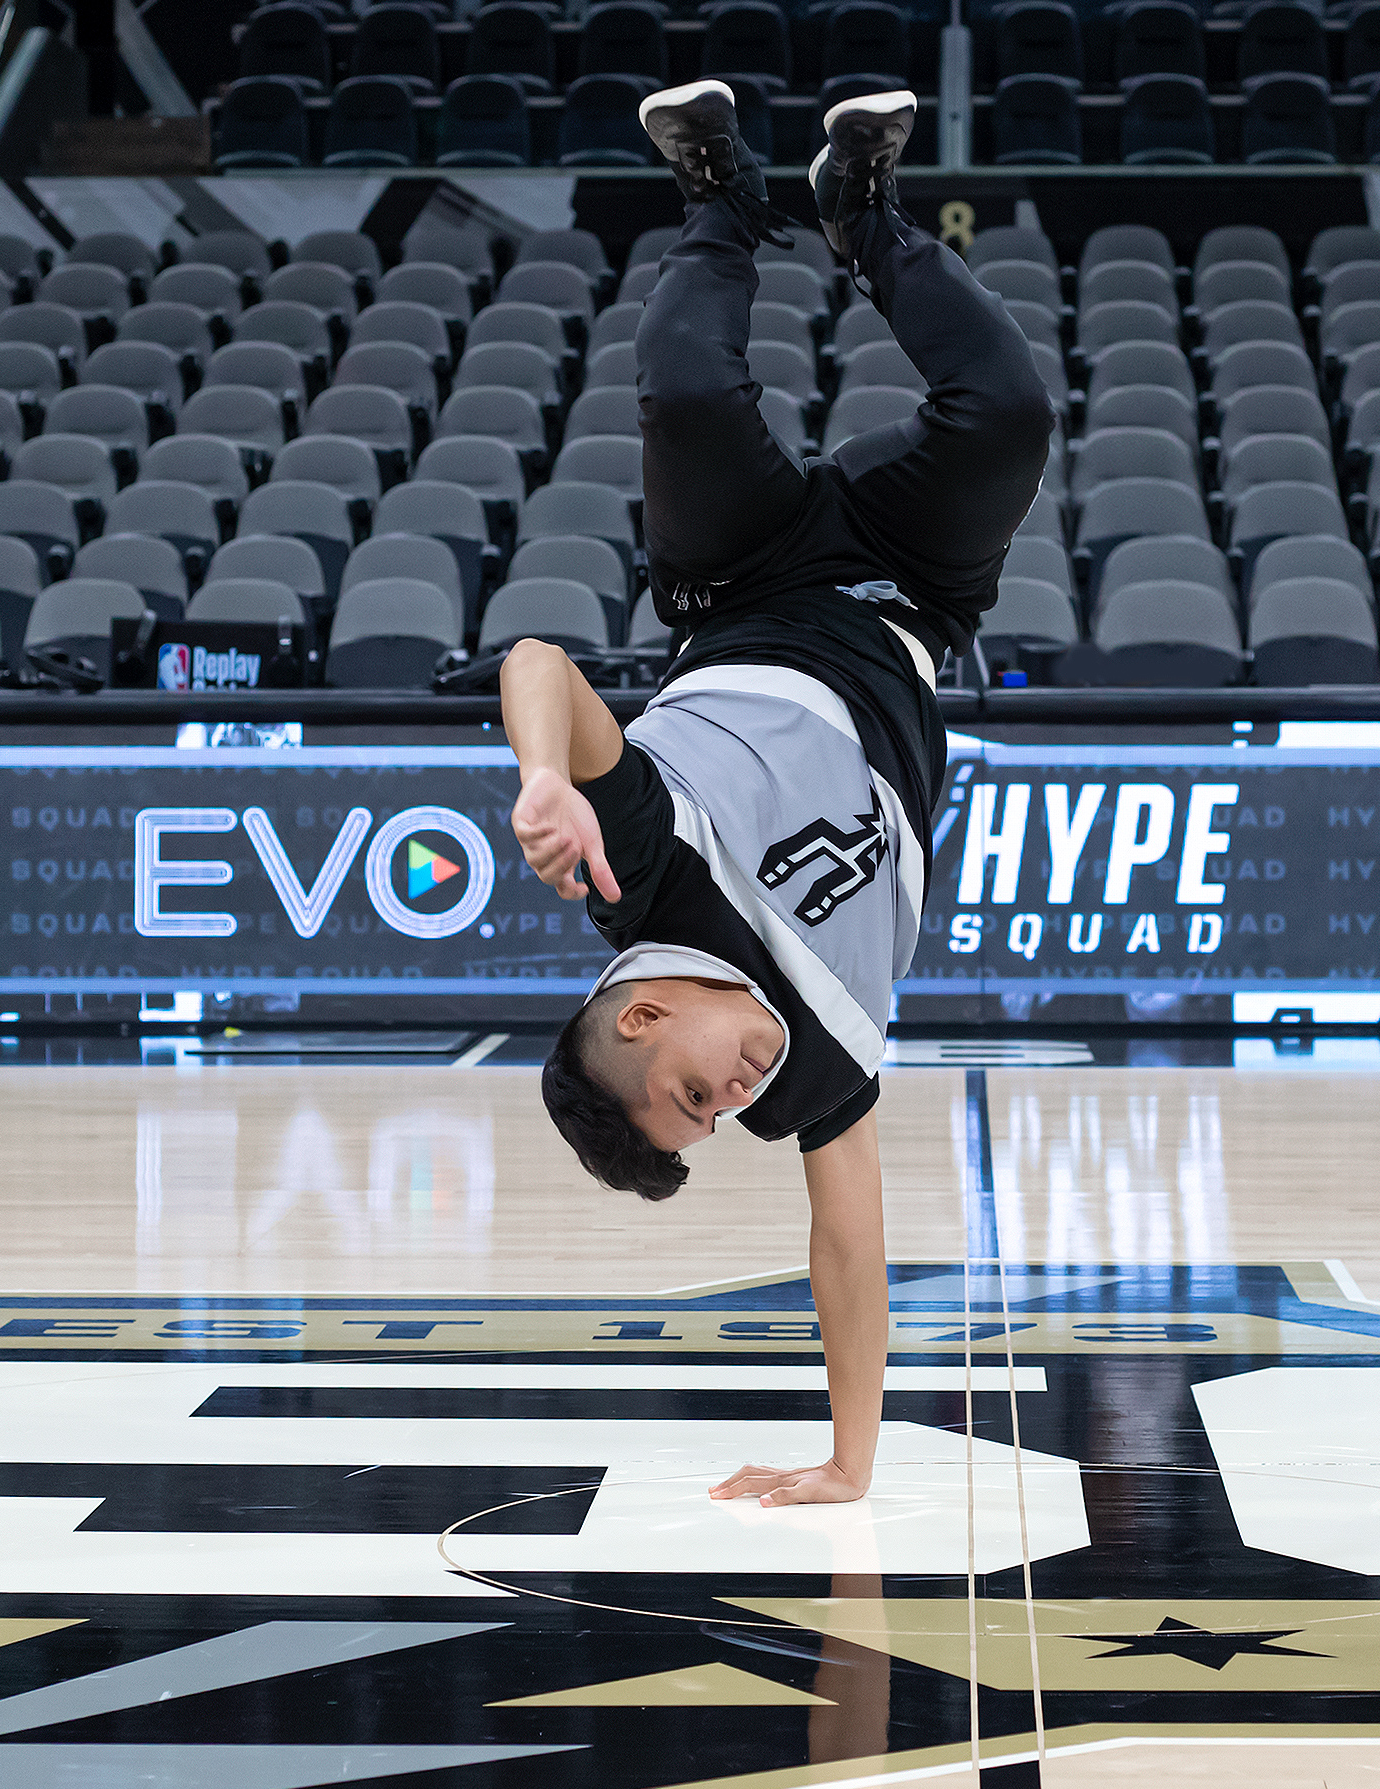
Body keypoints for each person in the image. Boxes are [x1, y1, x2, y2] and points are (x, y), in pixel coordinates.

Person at [496, 80, 1053, 1508]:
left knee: (687, 394)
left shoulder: (633, 877)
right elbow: (848, 1247)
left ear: (644, 1013)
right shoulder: (808, 1065)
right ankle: (864, 215)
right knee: (1008, 413)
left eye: (695, 1091)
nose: (735, 1099)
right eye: (715, 1120)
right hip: (908, 593)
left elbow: (541, 661)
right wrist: (849, 1464)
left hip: (737, 586)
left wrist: (547, 775)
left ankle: (721, 204)